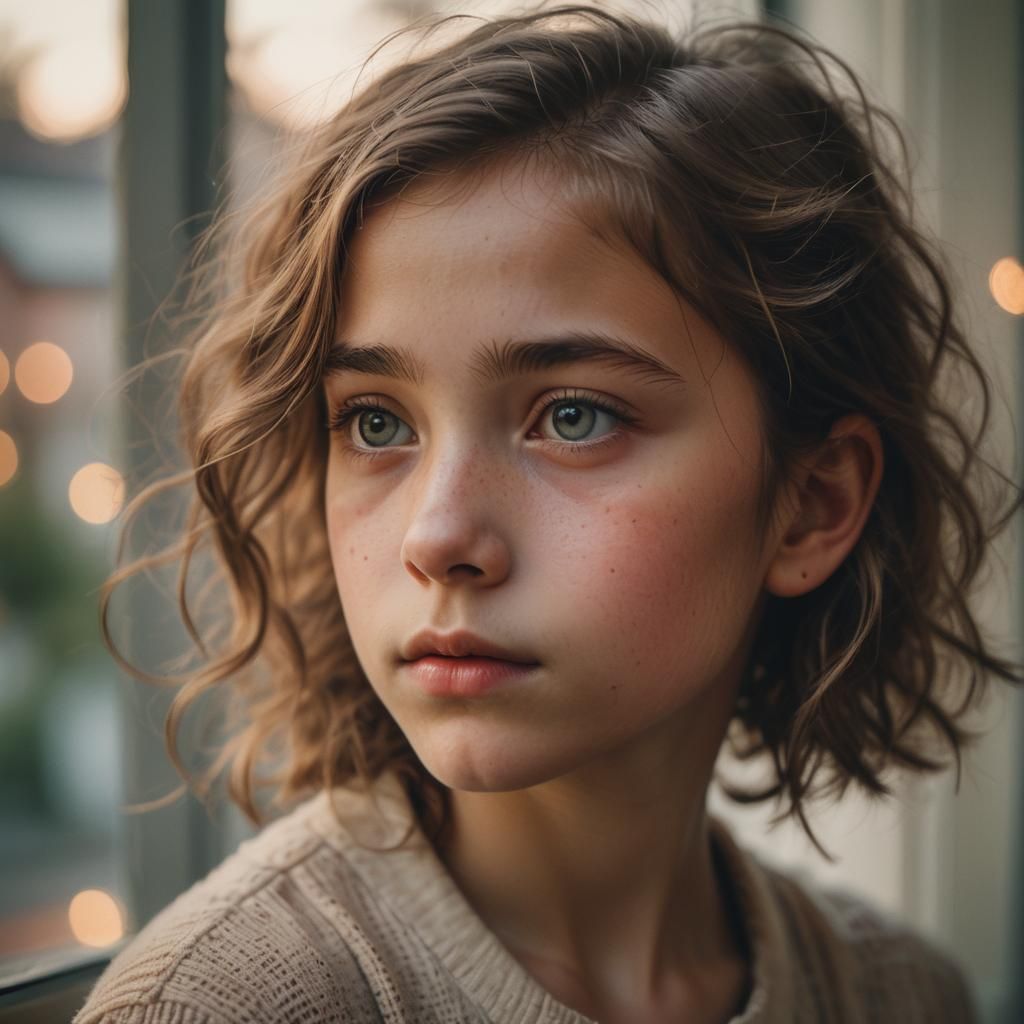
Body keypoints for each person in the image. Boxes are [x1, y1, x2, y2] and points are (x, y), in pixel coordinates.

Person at [74, 5, 1019, 1022]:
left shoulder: (901, 999)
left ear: (812, 505)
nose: (436, 538)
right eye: (377, 423)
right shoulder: (225, 1004)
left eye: (572, 416)